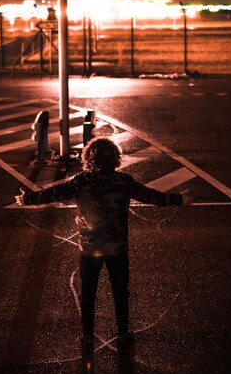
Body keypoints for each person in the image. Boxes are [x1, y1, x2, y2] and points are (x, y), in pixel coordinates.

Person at [15, 136, 192, 355]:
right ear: (115, 158)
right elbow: (152, 197)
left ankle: (87, 335)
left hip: (89, 249)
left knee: (88, 293)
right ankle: (123, 332)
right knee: (120, 291)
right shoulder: (124, 182)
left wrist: (28, 199)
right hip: (117, 249)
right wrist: (179, 200)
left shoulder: (81, 181)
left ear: (88, 158)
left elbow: (52, 194)